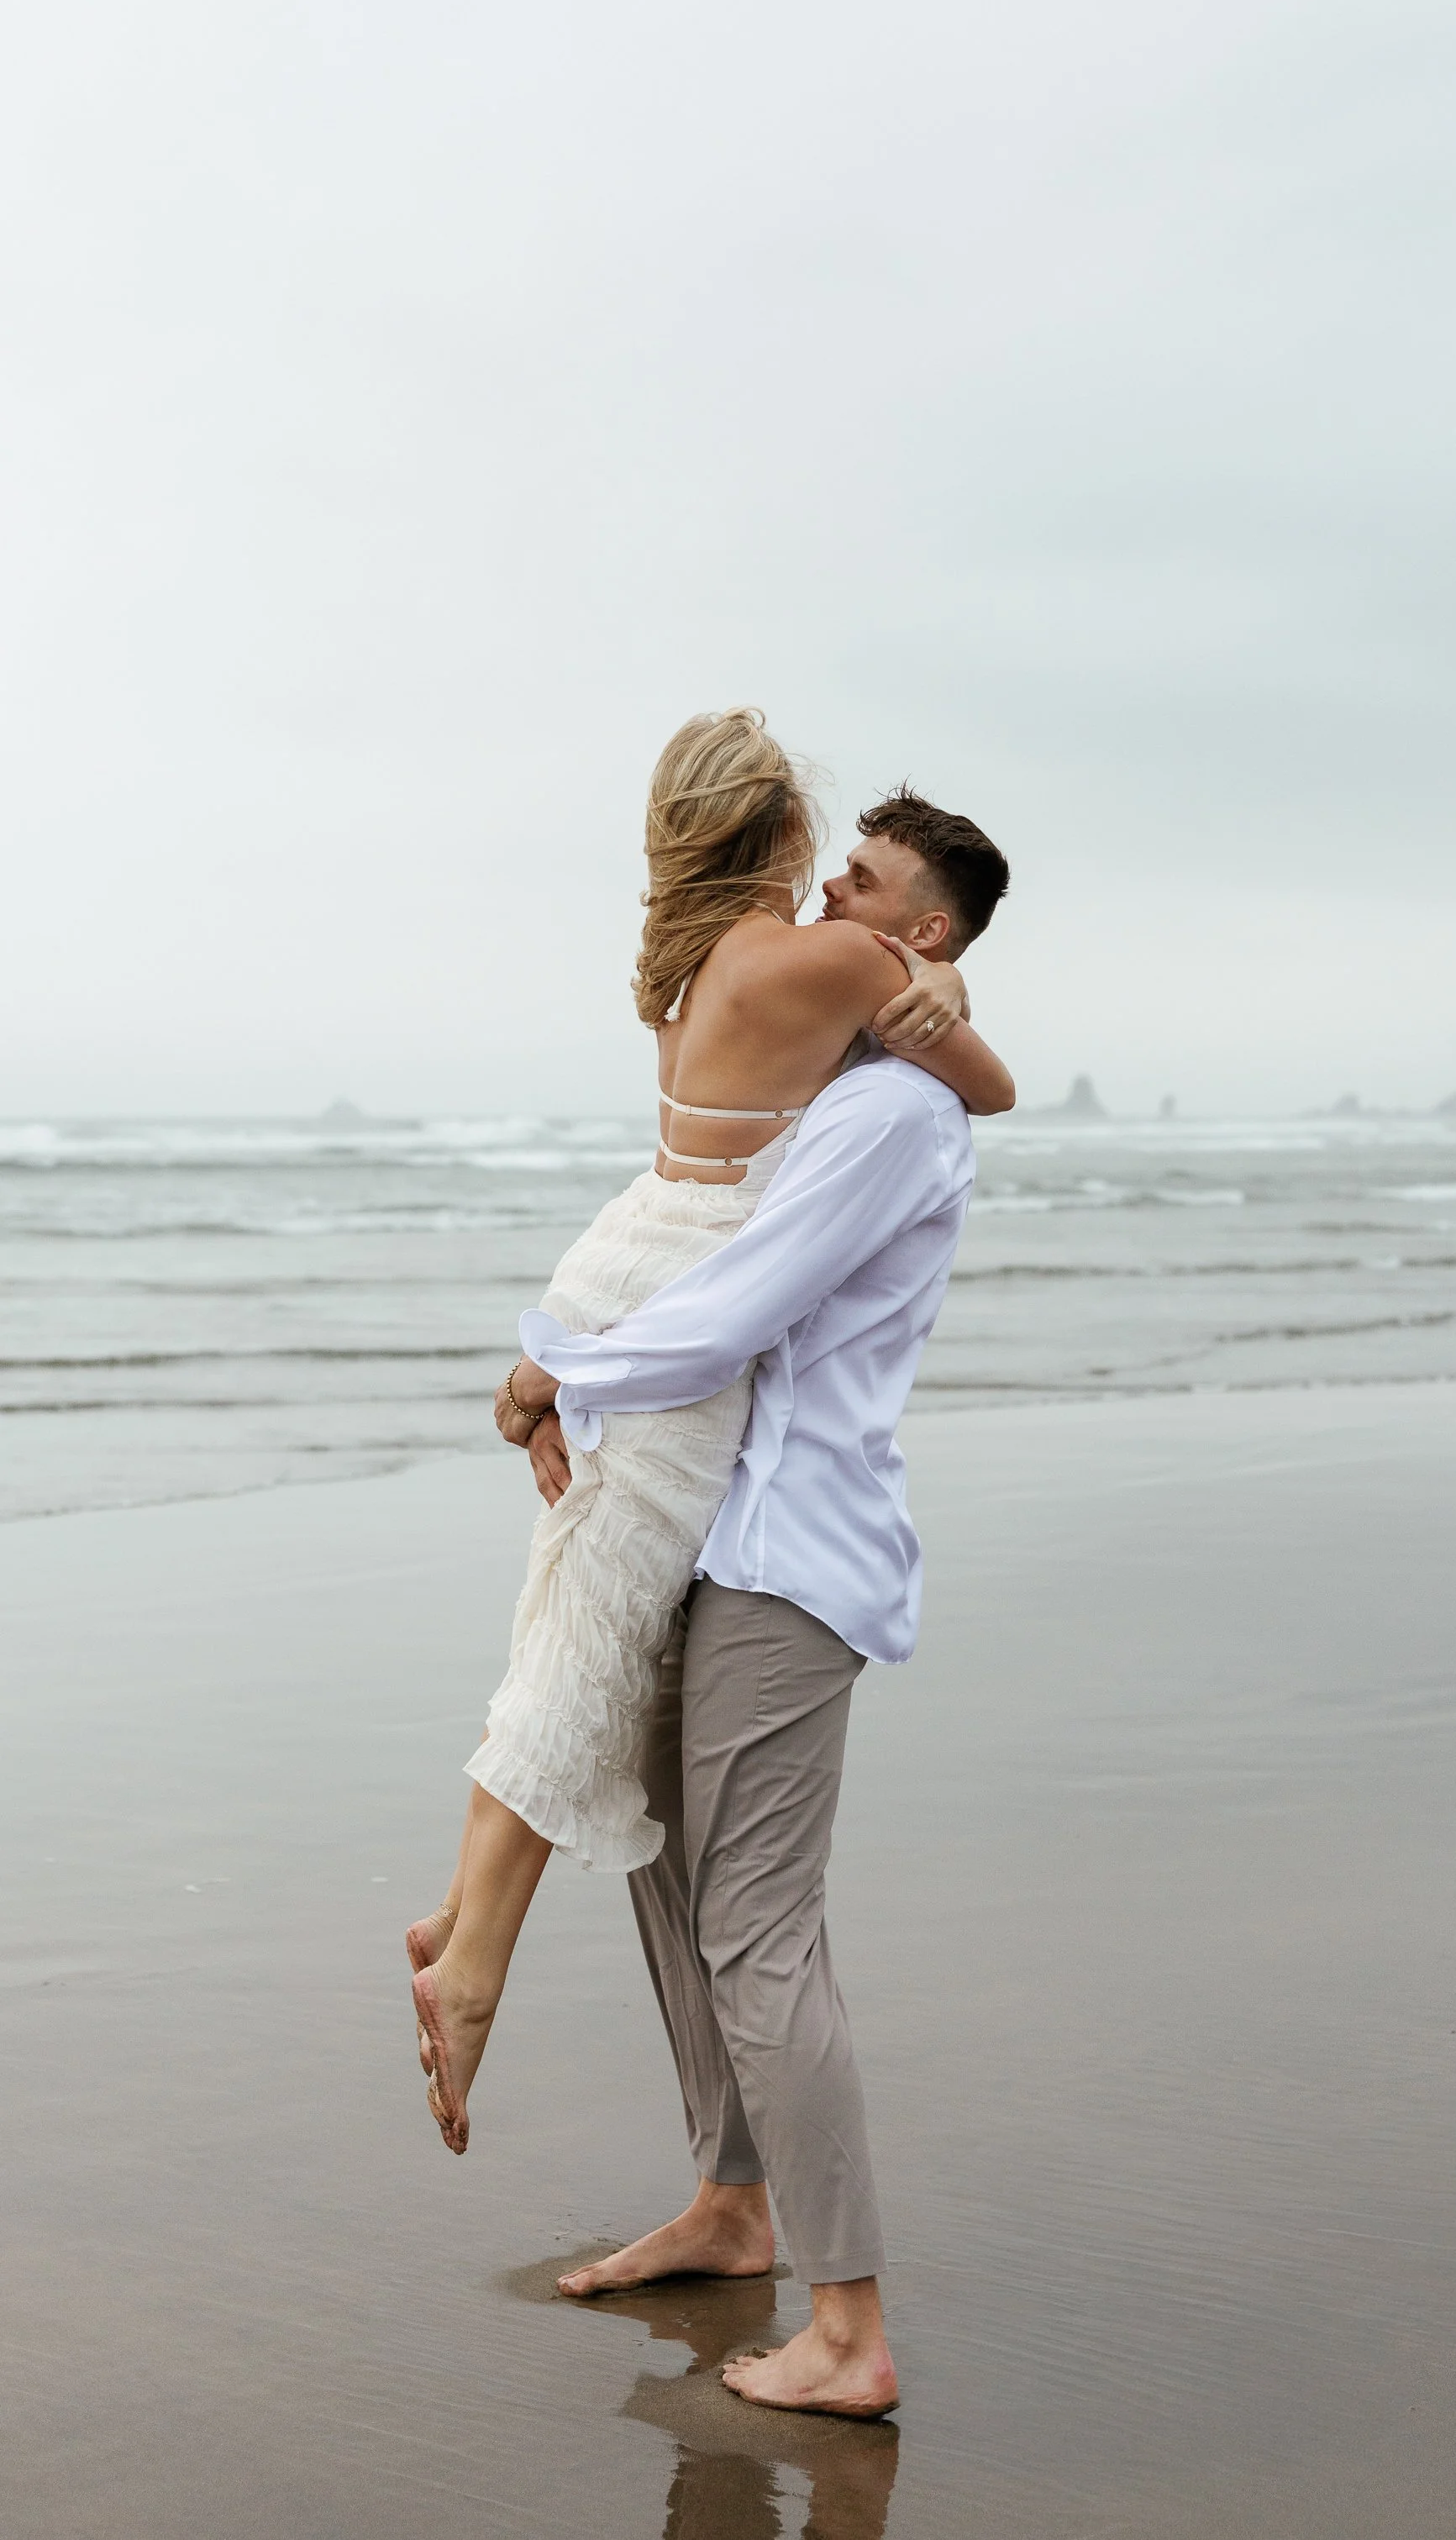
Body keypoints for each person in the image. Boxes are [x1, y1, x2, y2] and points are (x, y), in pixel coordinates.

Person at [408, 713, 1013, 2181]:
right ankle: (474, 1957)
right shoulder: (835, 965)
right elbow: (987, 1087)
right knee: (593, 1636)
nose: (834, 882)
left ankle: (468, 1916)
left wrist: (560, 1345)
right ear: (779, 830)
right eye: (825, 849)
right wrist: (934, 976)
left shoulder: (689, 969)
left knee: (569, 1617)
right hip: (675, 1303)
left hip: (628, 1261)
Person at [497, 802, 1009, 2420]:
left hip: (796, 1556)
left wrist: (552, 1365)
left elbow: (731, 1306)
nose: (828, 899)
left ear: (920, 938)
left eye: (863, 886)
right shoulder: (853, 1078)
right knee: (666, 1866)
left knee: (761, 1928)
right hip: (717, 1534)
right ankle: (732, 2207)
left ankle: (850, 2329)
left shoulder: (890, 1122)